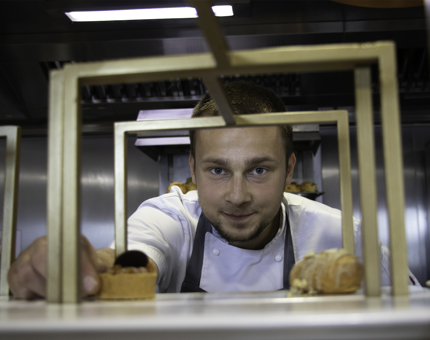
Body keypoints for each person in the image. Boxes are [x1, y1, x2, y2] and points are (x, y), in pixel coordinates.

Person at [7, 81, 414, 298]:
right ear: (193, 170)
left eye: (259, 170)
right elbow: (133, 256)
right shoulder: (170, 218)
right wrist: (86, 266)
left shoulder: (344, 237)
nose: (237, 195)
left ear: (290, 169)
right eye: (217, 170)